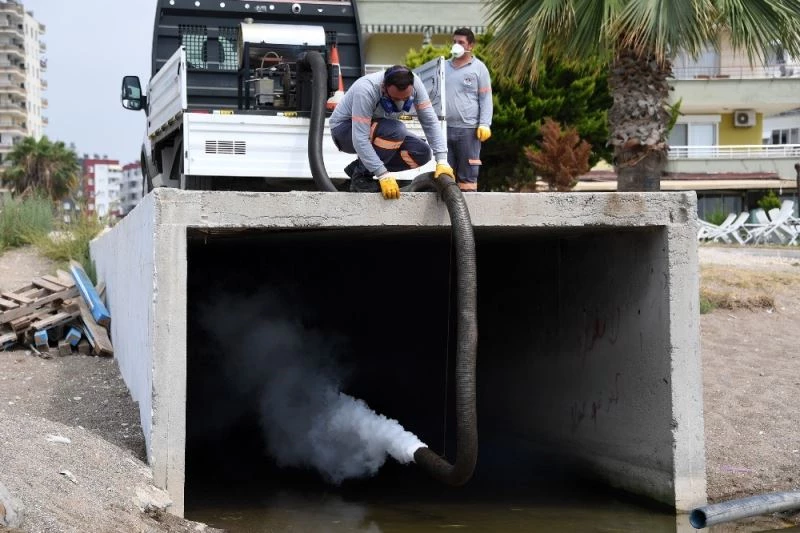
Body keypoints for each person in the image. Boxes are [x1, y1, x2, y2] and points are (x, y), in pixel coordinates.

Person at [329, 65, 455, 199]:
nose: (401, 104)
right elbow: (359, 138)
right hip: (345, 131)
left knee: (421, 152)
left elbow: (430, 121)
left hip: (382, 129)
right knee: (396, 130)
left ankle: (359, 167)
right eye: (395, 99)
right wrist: (382, 174)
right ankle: (361, 177)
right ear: (384, 87)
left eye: (405, 99)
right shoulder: (366, 89)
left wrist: (442, 160)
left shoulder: (416, 84)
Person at [445, 27, 493, 192]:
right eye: (454, 42)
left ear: (470, 46)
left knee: (468, 174)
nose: (456, 45)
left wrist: (485, 124)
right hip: (445, 128)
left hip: (469, 130)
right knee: (444, 174)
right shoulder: (444, 67)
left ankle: (468, 212)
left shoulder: (479, 69)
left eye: (461, 42)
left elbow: (486, 99)